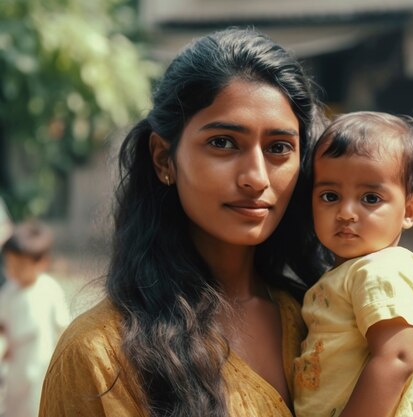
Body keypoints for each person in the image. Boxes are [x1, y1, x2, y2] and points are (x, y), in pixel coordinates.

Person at [38, 28, 330, 417]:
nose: (256, 177)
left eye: (279, 148)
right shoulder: (101, 355)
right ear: (163, 159)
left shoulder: (321, 319)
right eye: (223, 142)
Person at [294, 111, 413, 417]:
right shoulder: (345, 273)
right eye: (330, 195)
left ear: (410, 209)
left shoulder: (382, 270)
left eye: (371, 199)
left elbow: (398, 357)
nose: (346, 212)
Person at [0, 220, 70, 417]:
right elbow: (2, 326)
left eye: (20, 266)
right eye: (9, 264)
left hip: (42, 370)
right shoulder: (8, 293)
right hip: (16, 372)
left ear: (42, 263)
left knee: (39, 409)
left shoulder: (49, 290)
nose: (13, 271)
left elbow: (63, 327)